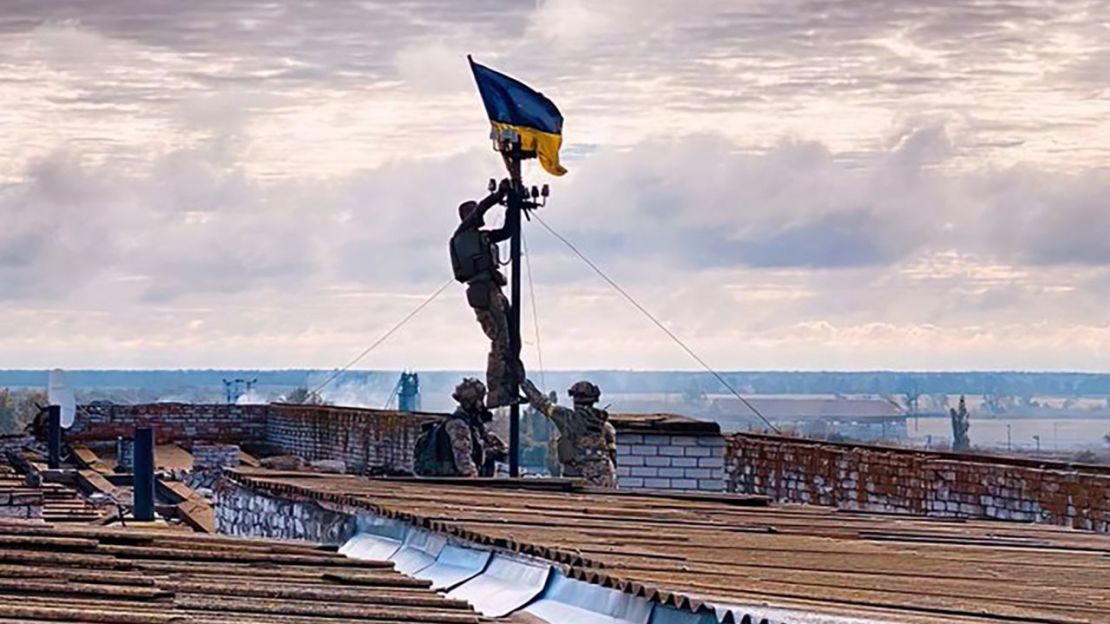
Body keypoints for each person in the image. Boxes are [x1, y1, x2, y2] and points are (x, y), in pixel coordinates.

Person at [449, 179, 525, 408]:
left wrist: (513, 202)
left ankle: (512, 387)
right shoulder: (462, 235)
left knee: (513, 339)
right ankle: (496, 393)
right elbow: (480, 211)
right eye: (473, 211)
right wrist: (497, 195)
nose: (478, 215)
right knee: (500, 341)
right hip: (483, 292)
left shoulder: (480, 237)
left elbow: (508, 231)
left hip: (494, 290)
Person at [520, 378, 616, 487]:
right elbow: (613, 455)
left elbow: (542, 404)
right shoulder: (604, 424)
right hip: (604, 480)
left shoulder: (568, 418)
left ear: (574, 399)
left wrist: (523, 383)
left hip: (577, 479)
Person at [414, 378, 495, 477]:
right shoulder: (458, 425)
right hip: (451, 480)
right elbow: (463, 462)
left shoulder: (473, 425)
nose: (481, 405)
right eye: (480, 400)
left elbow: (498, 446)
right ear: (472, 402)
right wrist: (475, 479)